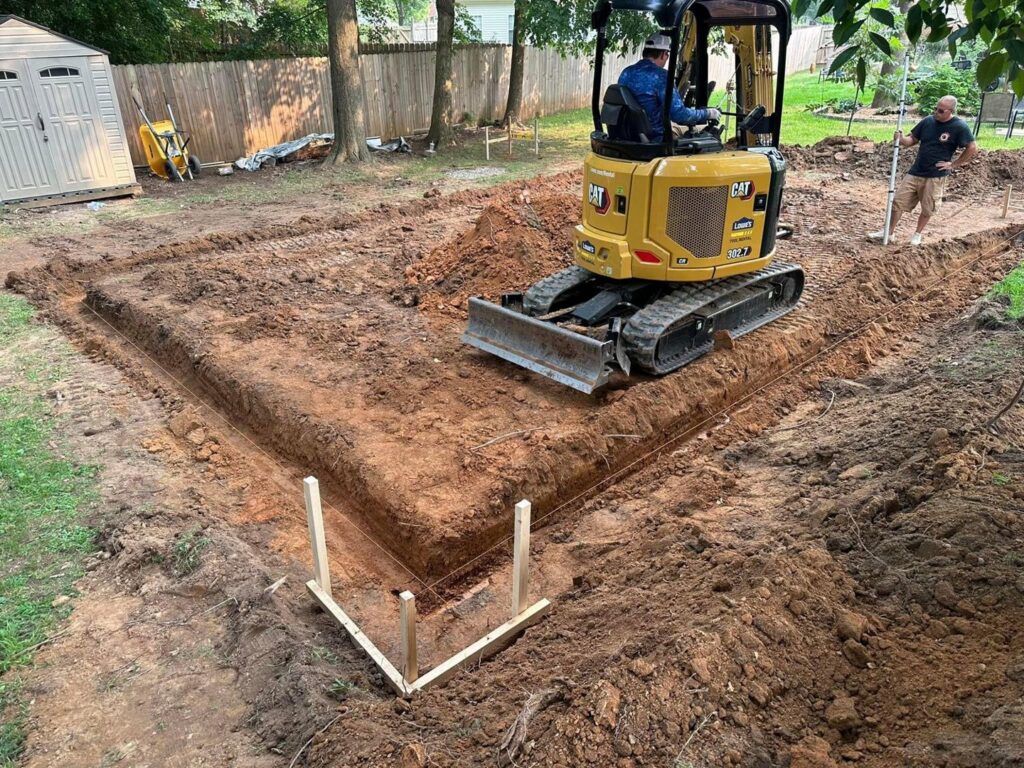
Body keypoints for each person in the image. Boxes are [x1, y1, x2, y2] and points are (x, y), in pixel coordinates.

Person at [868, 95, 978, 246]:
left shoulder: (959, 127)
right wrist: (901, 139)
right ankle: (889, 232)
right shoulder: (928, 121)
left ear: (950, 111)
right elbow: (912, 140)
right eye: (935, 108)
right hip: (916, 171)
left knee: (928, 208)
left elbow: (972, 147)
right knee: (898, 202)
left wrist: (953, 165)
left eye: (940, 110)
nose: (936, 112)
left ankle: (917, 235)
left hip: (936, 176)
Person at [617, 34, 721, 143]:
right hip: (655, 139)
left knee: (676, 128)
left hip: (630, 135)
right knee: (709, 136)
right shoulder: (662, 76)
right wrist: (709, 113)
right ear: (663, 54)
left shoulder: (626, 73)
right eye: (667, 54)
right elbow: (679, 115)